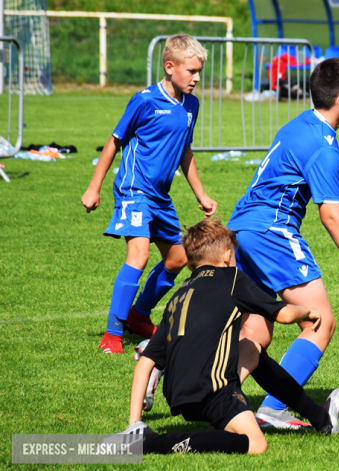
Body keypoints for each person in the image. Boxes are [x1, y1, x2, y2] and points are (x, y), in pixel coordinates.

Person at [227, 58, 339, 429]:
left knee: (256, 330)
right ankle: (272, 408)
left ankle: (214, 395)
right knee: (320, 322)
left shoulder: (299, 122)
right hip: (273, 232)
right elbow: (330, 216)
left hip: (243, 230)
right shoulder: (324, 146)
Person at [124, 218, 339, 455]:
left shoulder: (178, 296)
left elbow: (145, 363)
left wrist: (134, 423)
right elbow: (284, 314)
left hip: (179, 394)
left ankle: (322, 420)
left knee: (251, 348)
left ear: (190, 264)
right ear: (228, 256)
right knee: (255, 444)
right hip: (214, 390)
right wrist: (308, 310)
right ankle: (153, 444)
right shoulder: (232, 279)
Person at [81, 34, 217, 354]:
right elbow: (114, 142)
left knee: (179, 257)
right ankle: (112, 336)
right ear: (169, 67)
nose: (197, 78)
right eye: (191, 71)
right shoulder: (144, 100)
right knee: (139, 255)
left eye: (199, 72)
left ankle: (138, 315)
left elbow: (185, 151)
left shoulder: (191, 105)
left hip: (160, 195)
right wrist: (93, 187)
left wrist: (201, 193)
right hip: (133, 189)